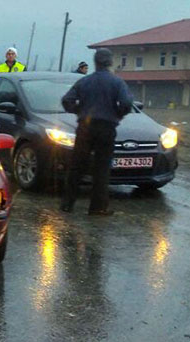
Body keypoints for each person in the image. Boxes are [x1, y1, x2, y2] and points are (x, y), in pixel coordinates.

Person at [59, 48, 133, 216]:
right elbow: (127, 103)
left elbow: (66, 100)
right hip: (106, 128)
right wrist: (117, 114)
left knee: (77, 166)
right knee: (101, 168)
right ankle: (97, 207)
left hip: (85, 127)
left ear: (95, 62)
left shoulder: (84, 81)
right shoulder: (117, 82)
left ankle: (67, 204)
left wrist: (79, 111)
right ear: (110, 62)